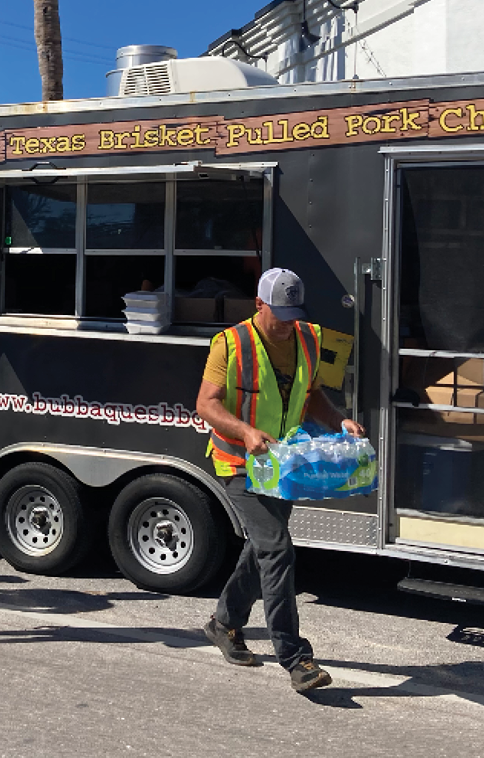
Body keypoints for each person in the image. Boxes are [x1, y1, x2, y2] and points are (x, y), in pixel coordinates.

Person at [196, 268, 365, 692]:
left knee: (262, 548)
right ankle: (295, 657)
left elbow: (311, 396)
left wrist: (339, 420)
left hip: (280, 466)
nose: (287, 323)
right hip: (237, 461)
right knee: (277, 551)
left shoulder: (309, 337)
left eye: (294, 314)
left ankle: (223, 623)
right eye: (280, 314)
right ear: (259, 304)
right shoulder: (230, 344)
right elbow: (206, 404)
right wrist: (246, 432)